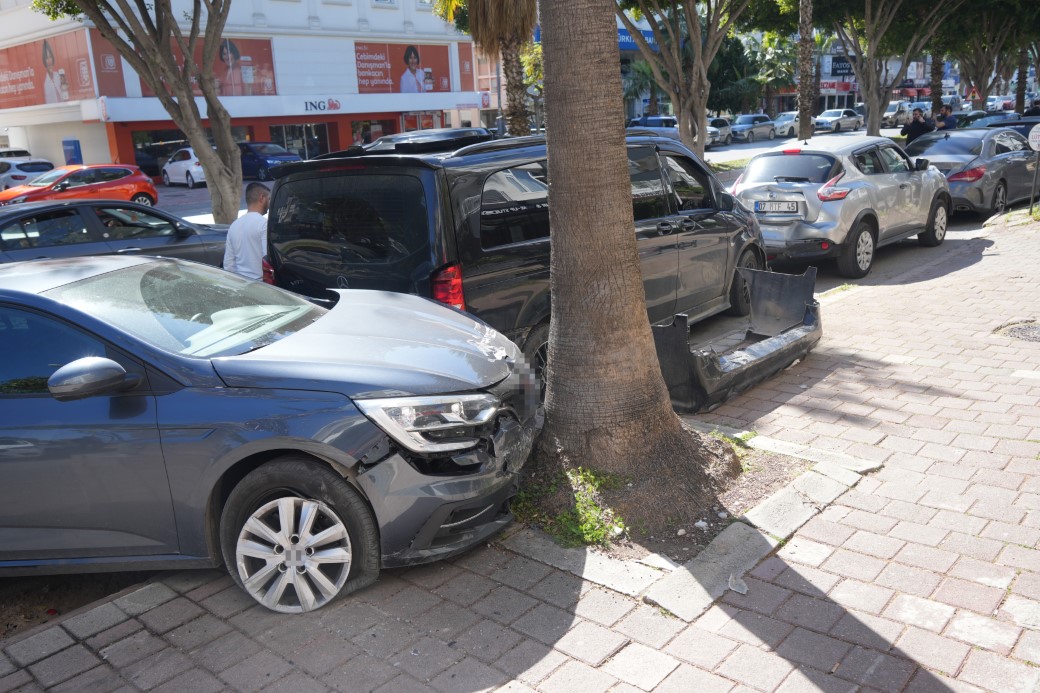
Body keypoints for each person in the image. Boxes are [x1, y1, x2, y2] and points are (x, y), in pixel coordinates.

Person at [223, 182, 270, 280]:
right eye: (269, 199)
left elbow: (228, 265)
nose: (269, 203)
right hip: (262, 286)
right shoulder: (264, 224)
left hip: (241, 286)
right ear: (262, 198)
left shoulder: (234, 226)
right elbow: (268, 260)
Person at [41, 39, 65, 104]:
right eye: (46, 58)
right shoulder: (45, 83)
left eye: (50, 57)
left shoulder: (58, 76)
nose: (49, 61)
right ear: (44, 60)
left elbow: (65, 96)